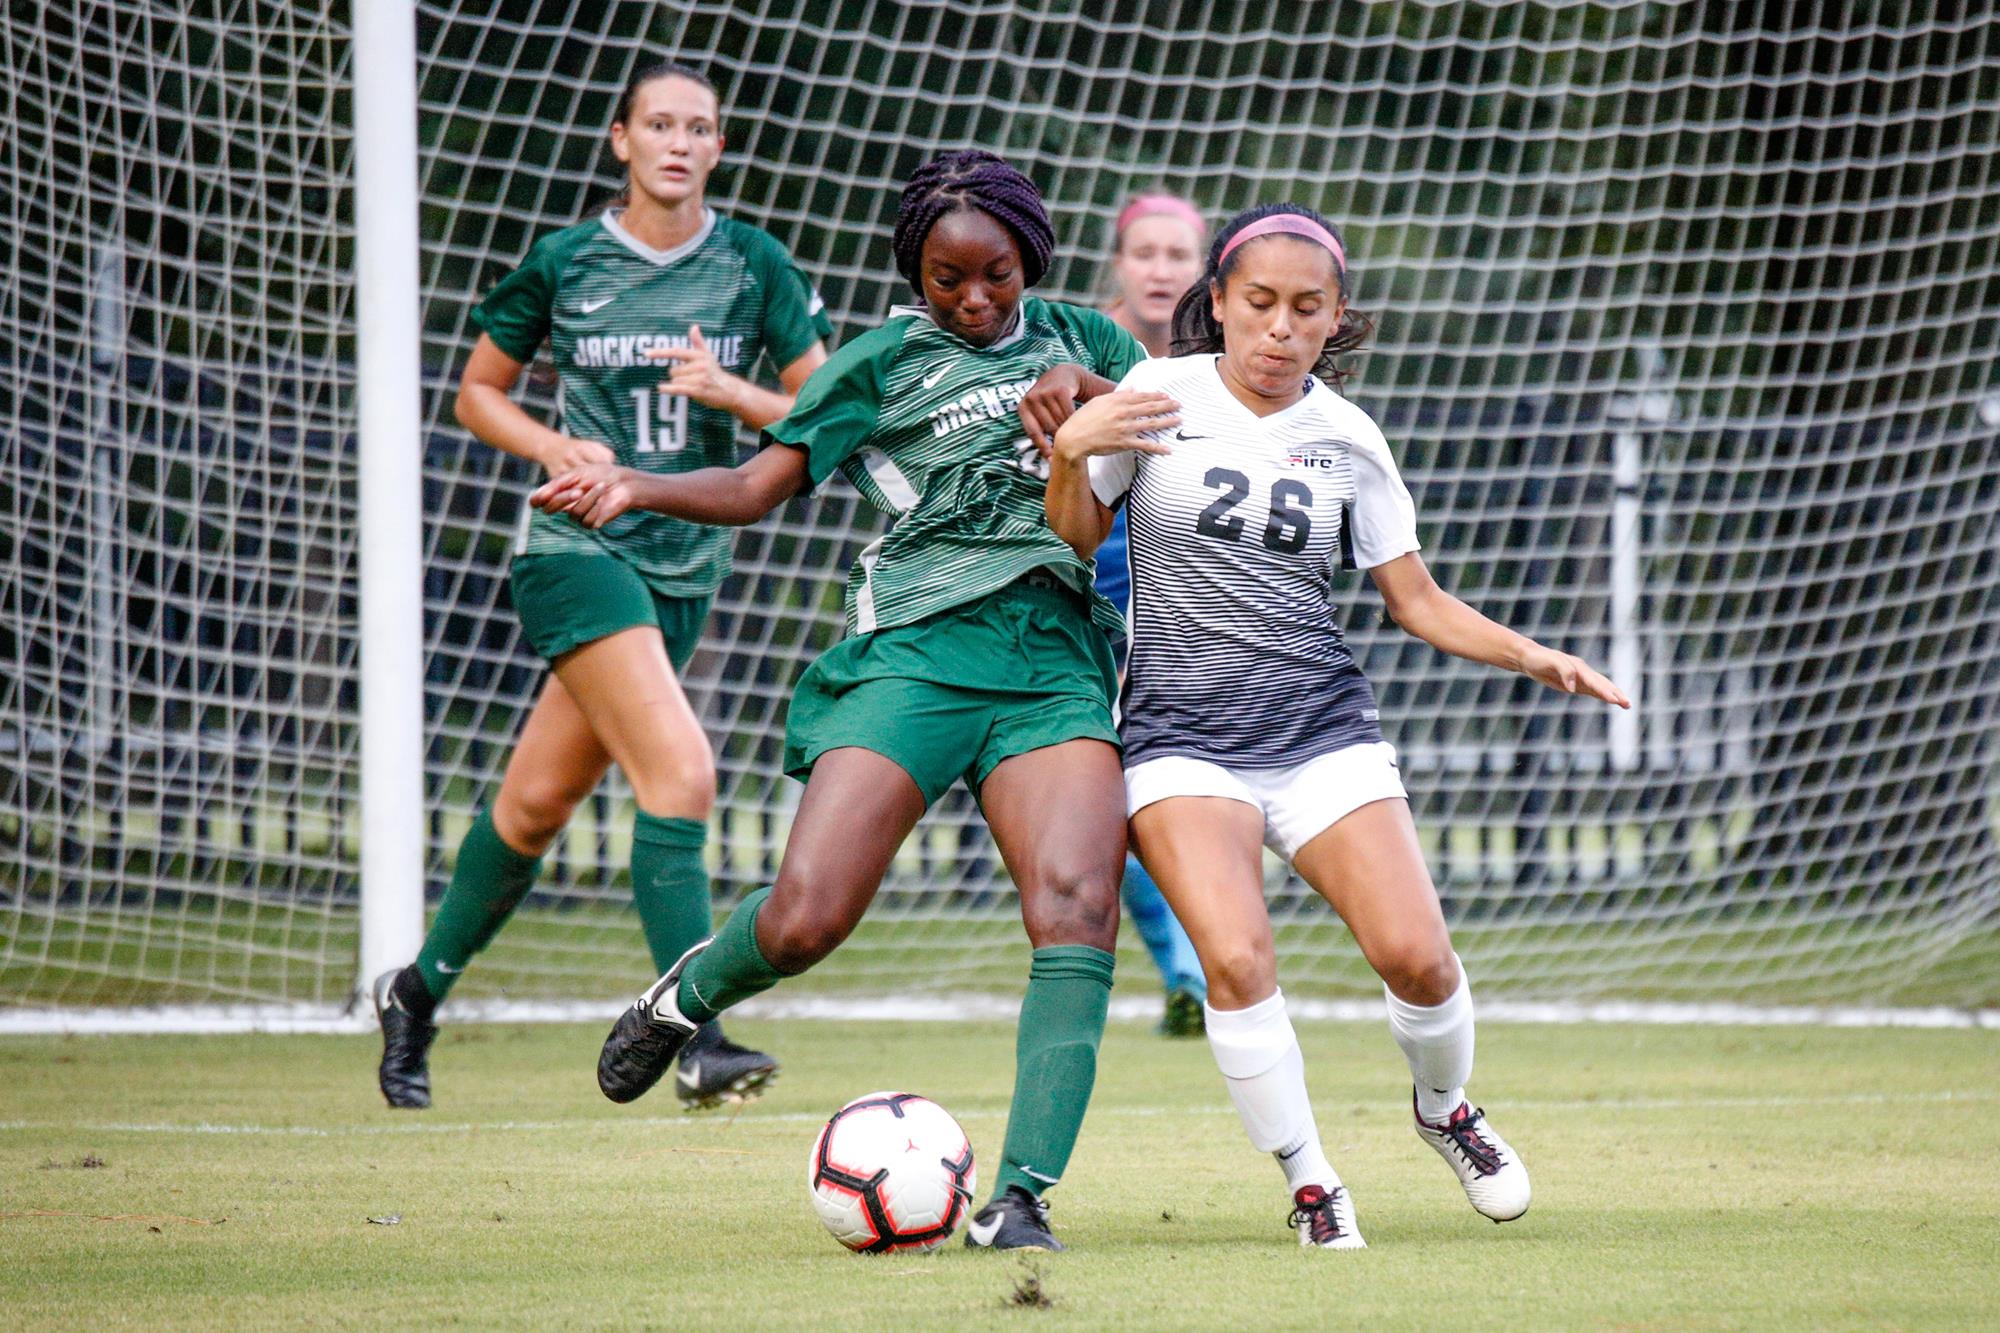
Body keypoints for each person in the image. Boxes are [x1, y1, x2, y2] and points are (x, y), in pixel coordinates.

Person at [533, 150, 1155, 1253]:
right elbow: (755, 485)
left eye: (995, 275)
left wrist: (1092, 400)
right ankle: (681, 1000)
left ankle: (1019, 1197)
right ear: (913, 277)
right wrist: (634, 484)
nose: (972, 300)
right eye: (944, 279)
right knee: (805, 917)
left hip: (1051, 657)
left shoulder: (1090, 342)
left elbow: (1167, 432)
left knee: (1075, 905)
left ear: (1032, 260)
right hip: (912, 651)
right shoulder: (876, 362)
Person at [1040, 203, 1629, 1249]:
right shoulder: (1155, 394)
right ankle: (1312, 1184)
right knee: (1235, 959)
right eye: (1256, 303)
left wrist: (1529, 651)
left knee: (1417, 959)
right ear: (1215, 303)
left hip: (1320, 731)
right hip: (1178, 735)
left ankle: (1444, 1109)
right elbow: (1078, 535)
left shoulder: (1348, 439)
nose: (1277, 328)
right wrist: (1070, 452)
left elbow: (1417, 600)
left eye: (1304, 309)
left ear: (1335, 320)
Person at [370, 61, 832, 1112]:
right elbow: (478, 392)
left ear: (719, 147)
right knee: (681, 774)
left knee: (534, 806)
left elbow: (820, 415)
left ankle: (414, 992)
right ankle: (697, 1034)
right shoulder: (566, 261)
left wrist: (733, 391)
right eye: (657, 124)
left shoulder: (752, 264)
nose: (678, 141)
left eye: (698, 127)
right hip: (574, 553)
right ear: (619, 139)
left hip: (682, 561)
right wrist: (551, 446)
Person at [1095, 192, 1210, 1036]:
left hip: (1190, 603)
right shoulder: (1072, 351)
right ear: (1119, 263)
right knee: (1111, 799)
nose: (1162, 269)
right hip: (1092, 599)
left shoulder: (1229, 360)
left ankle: (1204, 966)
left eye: (1179, 254)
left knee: (1190, 795)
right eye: (1146, 252)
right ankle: (1186, 969)